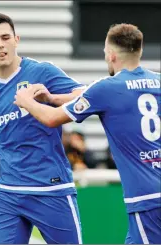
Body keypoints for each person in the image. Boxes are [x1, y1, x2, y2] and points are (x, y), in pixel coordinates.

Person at [14, 23, 161, 244]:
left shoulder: (107, 87)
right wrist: (52, 98)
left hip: (148, 197)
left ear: (111, 55)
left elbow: (52, 118)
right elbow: (88, 98)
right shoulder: (157, 81)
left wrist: (26, 101)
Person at [0, 13, 85, 244]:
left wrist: (52, 98)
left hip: (51, 188)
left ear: (16, 39)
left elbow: (84, 96)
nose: (0, 44)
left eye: (5, 37)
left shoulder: (42, 72)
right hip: (9, 191)